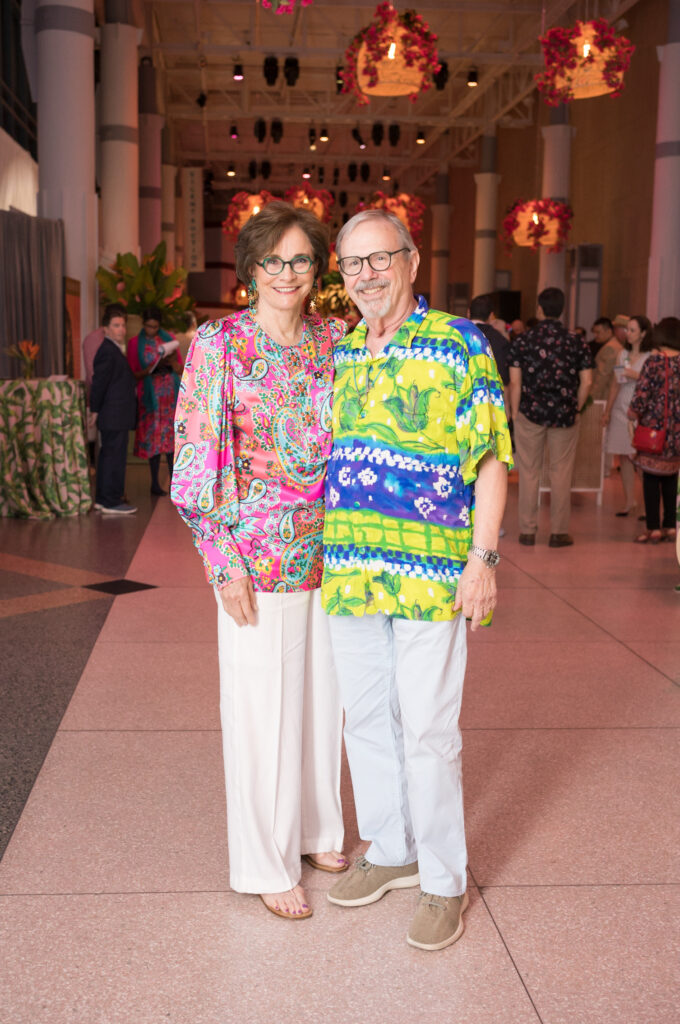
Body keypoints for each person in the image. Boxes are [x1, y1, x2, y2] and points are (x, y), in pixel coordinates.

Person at [320, 209, 512, 951]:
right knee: (366, 720)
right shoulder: (341, 355)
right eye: (353, 264)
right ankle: (392, 850)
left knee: (429, 729)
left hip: (433, 572)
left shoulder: (460, 344)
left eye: (380, 259)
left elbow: (492, 454)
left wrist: (483, 559)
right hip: (350, 569)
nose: (366, 275)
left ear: (412, 261)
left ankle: (443, 880)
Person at [171, 201, 347, 921]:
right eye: (272, 260)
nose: (286, 273)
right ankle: (264, 860)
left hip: (334, 555)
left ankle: (314, 830)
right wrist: (222, 561)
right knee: (260, 710)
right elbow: (193, 462)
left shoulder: (338, 341)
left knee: (321, 703)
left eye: (300, 259)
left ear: (318, 268)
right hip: (255, 555)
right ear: (250, 269)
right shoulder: (219, 345)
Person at [509, 287, 592, 547]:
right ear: (563, 309)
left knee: (529, 472)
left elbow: (515, 381)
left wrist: (514, 412)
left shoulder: (523, 340)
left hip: (529, 413)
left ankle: (527, 531)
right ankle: (558, 532)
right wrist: (576, 407)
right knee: (561, 472)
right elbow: (587, 382)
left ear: (539, 309)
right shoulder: (576, 341)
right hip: (565, 415)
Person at [629, 317, 680, 543]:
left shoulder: (653, 362)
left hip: (653, 431)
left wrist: (632, 414)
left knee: (650, 479)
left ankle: (653, 528)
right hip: (677, 433)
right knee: (672, 477)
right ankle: (670, 525)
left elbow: (641, 396)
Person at [127, 306, 183, 496]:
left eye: (155, 327)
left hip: (169, 396)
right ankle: (154, 483)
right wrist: (150, 368)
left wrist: (171, 363)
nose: (152, 330)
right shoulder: (135, 343)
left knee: (171, 441)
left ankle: (174, 483)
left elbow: (180, 367)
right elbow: (132, 372)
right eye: (149, 326)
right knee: (154, 441)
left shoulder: (168, 339)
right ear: (143, 324)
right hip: (151, 396)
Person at [89, 306, 138, 515]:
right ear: (105, 329)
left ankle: (104, 498)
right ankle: (110, 500)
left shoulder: (113, 349)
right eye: (116, 325)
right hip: (113, 414)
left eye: (123, 325)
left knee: (110, 456)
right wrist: (94, 409)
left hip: (116, 414)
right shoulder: (107, 351)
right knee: (113, 458)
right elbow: (98, 383)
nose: (121, 330)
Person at [602, 315, 653, 516]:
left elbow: (653, 383)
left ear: (643, 333)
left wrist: (636, 375)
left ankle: (645, 505)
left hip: (641, 408)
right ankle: (629, 501)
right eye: (627, 330)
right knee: (623, 456)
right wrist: (607, 410)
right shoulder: (622, 353)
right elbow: (615, 383)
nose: (627, 333)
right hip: (621, 406)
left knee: (640, 458)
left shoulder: (650, 356)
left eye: (632, 330)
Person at [468, 293, 510, 408]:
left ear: (468, 312)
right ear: (491, 316)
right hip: (488, 403)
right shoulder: (499, 339)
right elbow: (503, 377)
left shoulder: (454, 333)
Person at [591, 317, 623, 400]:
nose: (595, 335)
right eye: (594, 332)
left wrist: (591, 398)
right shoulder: (616, 346)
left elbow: (602, 376)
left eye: (598, 332)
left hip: (603, 395)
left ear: (609, 331)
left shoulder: (610, 348)